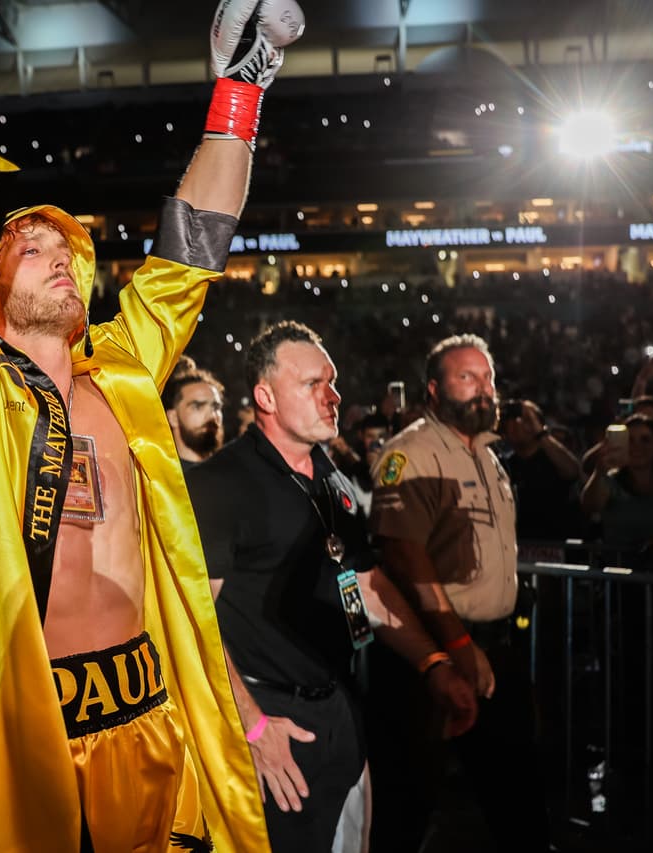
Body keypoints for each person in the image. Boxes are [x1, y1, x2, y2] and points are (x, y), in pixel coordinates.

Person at [0, 0, 304, 849]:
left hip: (148, 712)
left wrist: (238, 91)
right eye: (31, 250)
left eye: (67, 251)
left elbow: (193, 251)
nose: (60, 260)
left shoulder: (120, 372)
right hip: (20, 731)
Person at [186, 321, 477, 852]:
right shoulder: (220, 485)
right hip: (268, 724)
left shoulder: (332, 479)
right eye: (313, 384)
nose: (334, 396)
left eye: (334, 381)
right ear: (265, 397)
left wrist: (432, 663)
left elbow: (365, 584)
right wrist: (252, 729)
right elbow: (189, 619)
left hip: (339, 713)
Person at [367, 333, 550, 853]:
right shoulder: (411, 454)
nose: (484, 389)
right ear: (433, 389)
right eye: (467, 378)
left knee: (516, 792)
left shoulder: (491, 458)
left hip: (497, 646)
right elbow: (403, 555)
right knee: (409, 799)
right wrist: (458, 646)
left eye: (488, 377)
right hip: (431, 650)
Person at [580, 414, 653, 551]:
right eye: (630, 440)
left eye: (645, 440)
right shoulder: (611, 481)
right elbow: (590, 505)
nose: (636, 446)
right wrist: (600, 471)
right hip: (619, 567)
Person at [499, 398, 581, 541]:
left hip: (555, 544)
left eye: (526, 420)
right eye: (510, 421)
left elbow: (573, 471)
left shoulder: (553, 458)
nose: (517, 424)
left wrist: (540, 432)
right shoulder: (504, 464)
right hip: (519, 544)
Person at [162, 367, 226, 470]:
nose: (213, 416)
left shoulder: (233, 471)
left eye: (216, 407)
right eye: (198, 407)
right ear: (173, 417)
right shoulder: (161, 480)